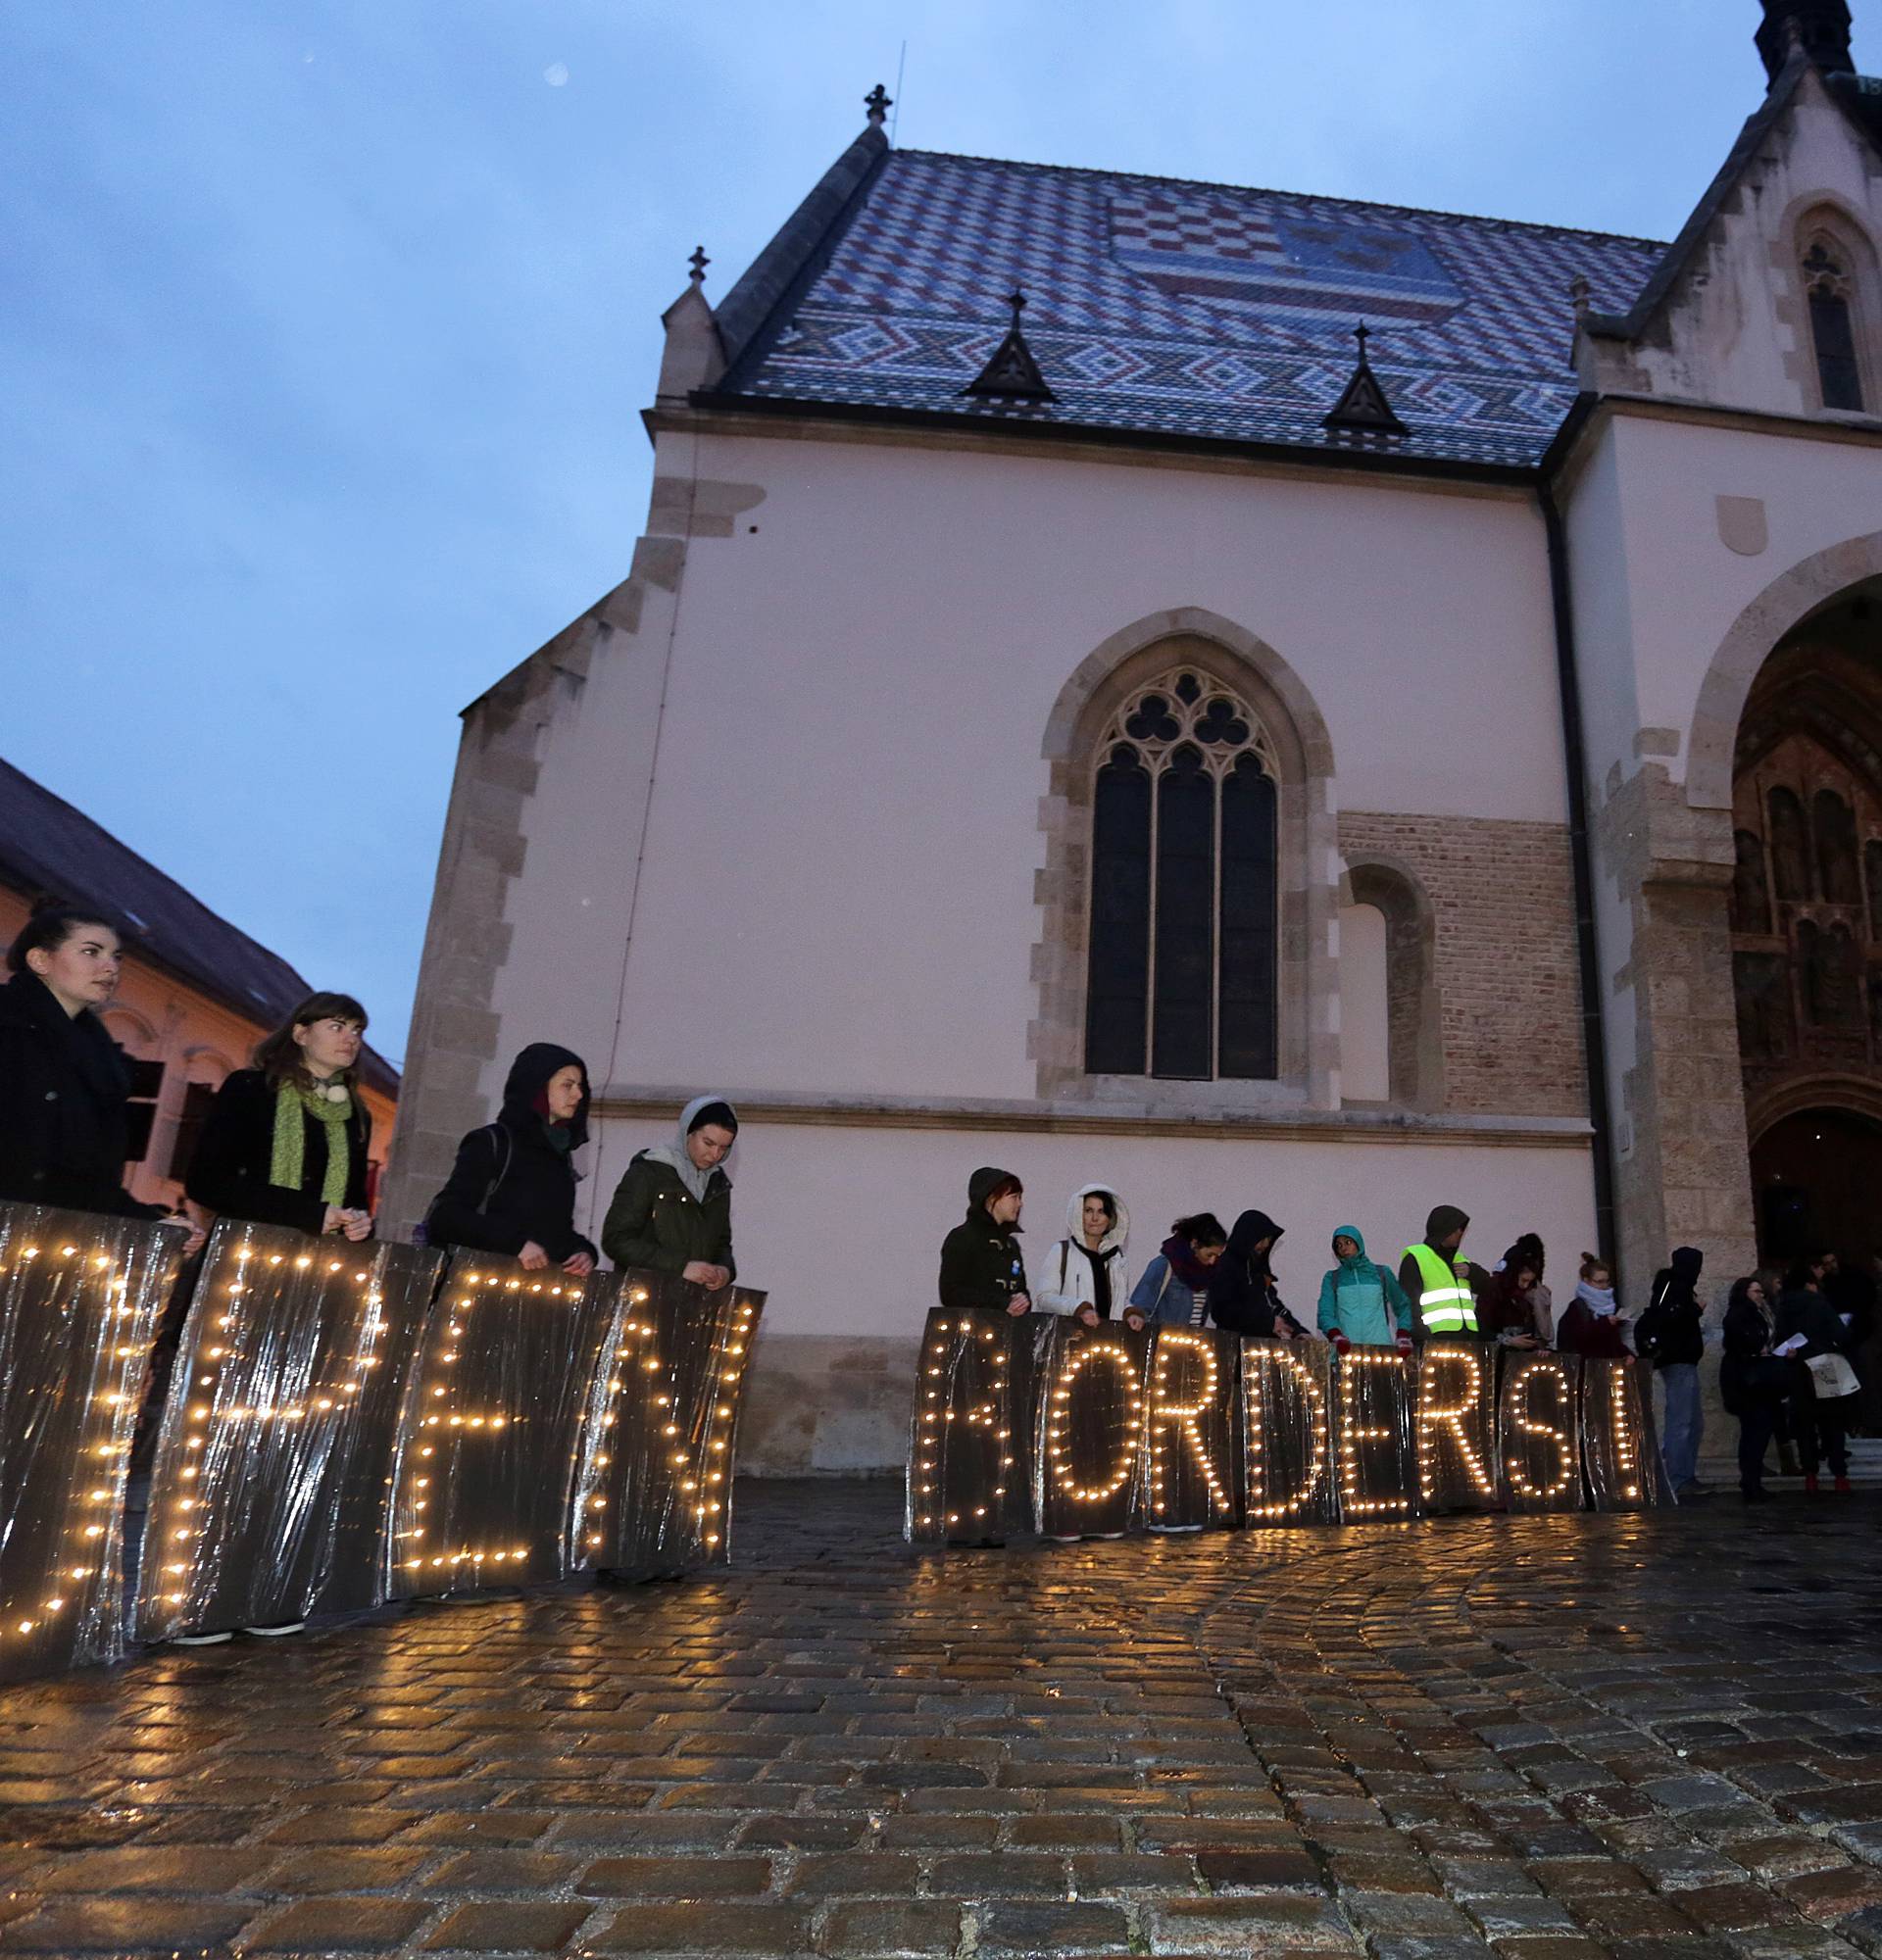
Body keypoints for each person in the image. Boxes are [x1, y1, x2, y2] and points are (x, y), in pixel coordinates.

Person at [0, 905, 170, 1220]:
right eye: (92, 952)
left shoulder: (101, 1058)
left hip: (52, 1232)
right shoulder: (9, 1027)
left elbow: (91, 1173)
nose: (111, 968)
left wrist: (151, 1221)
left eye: (116, 957)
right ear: (39, 960)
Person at [185, 993, 374, 1241]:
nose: (351, 1039)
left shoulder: (356, 1116)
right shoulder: (251, 1089)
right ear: (301, 1034)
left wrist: (359, 1222)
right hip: (245, 1249)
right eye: (337, 1027)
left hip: (321, 1261)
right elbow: (206, 1182)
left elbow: (354, 1197)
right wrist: (307, 1213)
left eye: (357, 1030)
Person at [421, 1043, 598, 1275]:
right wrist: (515, 1244)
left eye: (580, 1086)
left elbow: (554, 1231)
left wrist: (582, 1252)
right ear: (537, 1088)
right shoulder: (492, 1142)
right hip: (478, 1286)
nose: (578, 1095)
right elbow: (446, 1217)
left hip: (532, 1297)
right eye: (567, 1085)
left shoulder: (560, 1156)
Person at [601, 1096, 737, 1287]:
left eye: (724, 1148)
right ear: (688, 1132)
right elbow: (616, 1240)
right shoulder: (648, 1172)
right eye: (708, 1143)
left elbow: (721, 1243)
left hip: (693, 1302)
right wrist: (681, 1267)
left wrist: (724, 1270)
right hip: (643, 1297)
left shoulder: (718, 1185)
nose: (715, 1154)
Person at [1774, 1263, 1857, 1493]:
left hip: (1798, 1368)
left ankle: (1810, 1474)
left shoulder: (1784, 1307)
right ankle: (1839, 1474)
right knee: (1833, 1421)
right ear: (1810, 1283)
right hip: (1824, 1364)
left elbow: (1779, 1338)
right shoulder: (1820, 1304)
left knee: (1804, 1424)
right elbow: (1841, 1334)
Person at [1636, 1246, 1707, 1497]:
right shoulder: (1674, 1288)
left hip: (1683, 1359)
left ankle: (1685, 1473)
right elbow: (1669, 1318)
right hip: (1677, 1359)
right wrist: (1696, 1310)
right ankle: (1678, 1478)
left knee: (1693, 1422)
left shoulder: (1677, 1287)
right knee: (1682, 1421)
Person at [1720, 1275, 1790, 1502]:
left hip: (1763, 1377)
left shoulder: (1764, 1312)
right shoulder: (1740, 1314)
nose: (1760, 1295)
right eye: (1755, 1291)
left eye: (1761, 1291)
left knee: (1759, 1430)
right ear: (1745, 1293)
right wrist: (1755, 1346)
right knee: (1754, 1430)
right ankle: (1751, 1482)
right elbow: (1737, 1340)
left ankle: (1752, 1480)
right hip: (1748, 1379)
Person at [1035, 1185, 1132, 1328]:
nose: (1095, 1218)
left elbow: (1119, 1301)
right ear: (1078, 1214)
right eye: (1088, 1211)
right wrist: (1079, 1308)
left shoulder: (1116, 1258)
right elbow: (1044, 1298)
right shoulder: (1062, 1251)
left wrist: (1130, 1313)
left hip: (1107, 1342)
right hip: (1069, 1339)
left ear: (1110, 1218)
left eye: (1101, 1211)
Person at [936, 1167, 1029, 1315]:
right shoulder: (962, 1238)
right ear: (992, 1198)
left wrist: (1022, 1300)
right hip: (972, 1331)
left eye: (1020, 1198)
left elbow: (1020, 1288)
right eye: (1014, 1197)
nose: (1019, 1204)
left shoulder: (1010, 1244)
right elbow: (950, 1292)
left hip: (1008, 1331)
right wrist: (1000, 1304)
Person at [1210, 1210, 1310, 1341]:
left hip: (1261, 1347)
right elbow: (1222, 1312)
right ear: (1248, 1236)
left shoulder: (1258, 1270)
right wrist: (1269, 1323)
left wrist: (1297, 1332)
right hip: (1233, 1346)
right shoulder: (1225, 1266)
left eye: (1268, 1239)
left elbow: (1274, 1305)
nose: (1266, 1244)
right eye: (1262, 1239)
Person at [1315, 1226, 1415, 1354]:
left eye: (1348, 1242)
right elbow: (1325, 1313)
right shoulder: (1332, 1278)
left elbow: (1403, 1306)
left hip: (1381, 1351)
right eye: (1338, 1245)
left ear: (1358, 1243)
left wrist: (1403, 1335)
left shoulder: (1382, 1273)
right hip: (1346, 1352)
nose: (1344, 1248)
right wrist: (1336, 1336)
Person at [1129, 1213, 1229, 1328]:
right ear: (1194, 1244)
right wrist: (1135, 1316)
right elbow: (1141, 1304)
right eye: (1209, 1255)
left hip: (1193, 1342)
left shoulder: (1210, 1273)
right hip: (1163, 1342)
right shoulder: (1165, 1265)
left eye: (1217, 1256)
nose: (1213, 1261)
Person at [1399, 1205, 1481, 1345]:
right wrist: (1424, 1339)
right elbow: (1408, 1304)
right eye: (1457, 1228)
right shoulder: (1417, 1257)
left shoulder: (1460, 1259)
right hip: (1435, 1340)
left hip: (1468, 1340)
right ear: (1445, 1230)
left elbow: (1489, 1287)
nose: (1460, 1233)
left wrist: (1472, 1272)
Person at [1554, 1253, 1631, 1359]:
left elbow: (1613, 1342)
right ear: (1586, 1280)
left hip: (1606, 1367)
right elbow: (1577, 1338)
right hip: (1587, 1368)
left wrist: (1627, 1354)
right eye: (1599, 1282)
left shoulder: (1610, 1306)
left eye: (1607, 1281)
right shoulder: (1577, 1307)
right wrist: (1604, 1323)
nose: (1604, 1286)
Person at [1481, 1250, 1548, 1349]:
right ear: (1514, 1274)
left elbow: (1529, 1328)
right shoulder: (1493, 1289)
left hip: (1515, 1355)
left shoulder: (1525, 1296)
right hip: (1495, 1353)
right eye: (1524, 1280)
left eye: (1530, 1282)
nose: (1525, 1286)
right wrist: (1508, 1340)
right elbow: (1482, 1327)